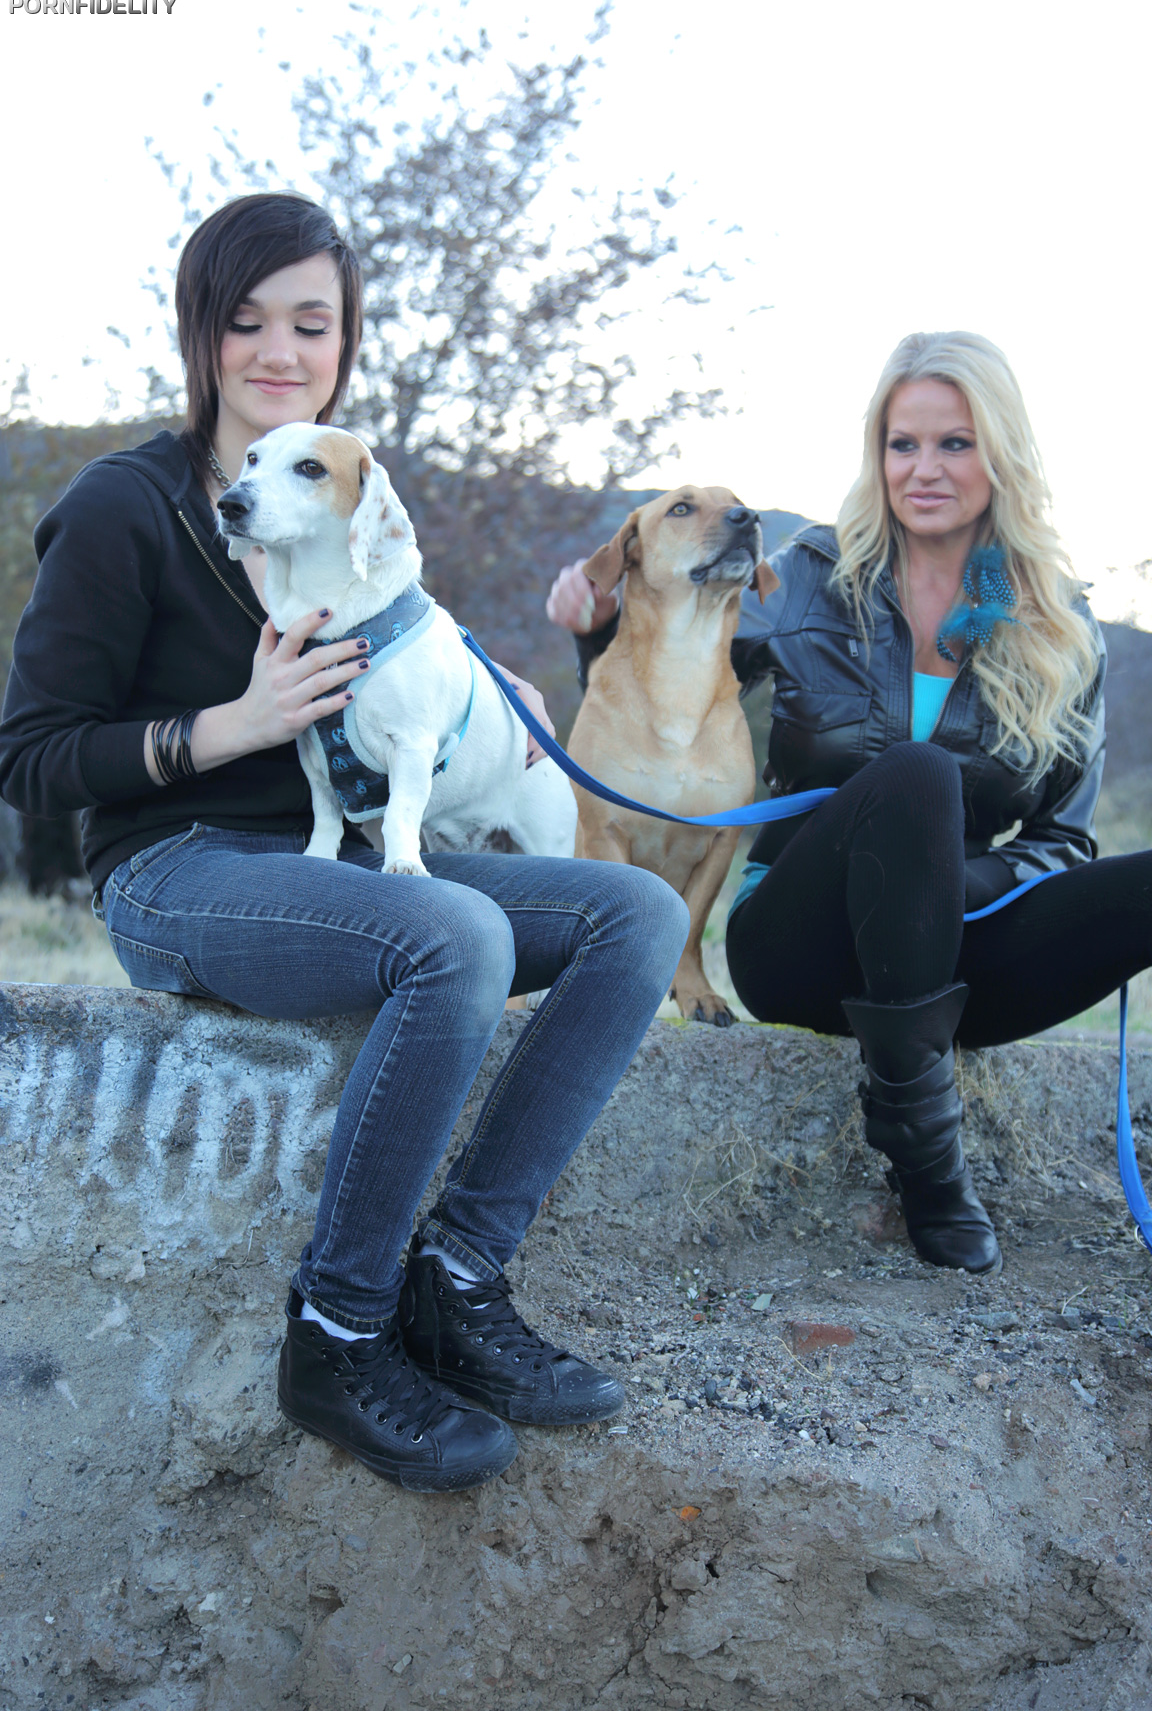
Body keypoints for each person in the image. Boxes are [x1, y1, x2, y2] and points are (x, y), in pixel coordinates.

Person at [0, 193, 688, 1493]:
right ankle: (339, 1330)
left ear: (345, 341)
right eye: (247, 320)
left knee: (637, 913)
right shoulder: (124, 507)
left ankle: (458, 1278)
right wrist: (233, 725)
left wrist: (489, 687)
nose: (280, 350)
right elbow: (30, 757)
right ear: (201, 332)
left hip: (350, 860)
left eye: (312, 324)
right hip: (180, 869)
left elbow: (405, 660)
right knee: (456, 931)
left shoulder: (344, 497)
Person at [548, 330, 1152, 1280]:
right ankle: (927, 1165)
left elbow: (1063, 841)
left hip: (954, 956)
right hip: (802, 942)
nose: (923, 469)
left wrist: (945, 883)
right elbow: (668, 687)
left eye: (955, 443)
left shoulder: (1057, 621)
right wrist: (596, 633)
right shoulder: (809, 578)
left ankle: (917, 1043)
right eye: (902, 444)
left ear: (1002, 453)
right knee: (919, 774)